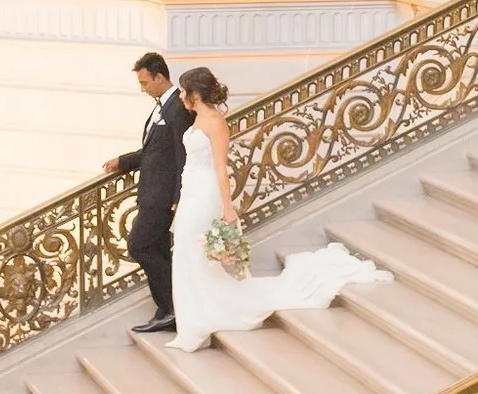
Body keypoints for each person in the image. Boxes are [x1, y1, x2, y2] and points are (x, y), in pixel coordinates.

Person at [164, 66, 390, 352]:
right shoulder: (196, 119)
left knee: (192, 253)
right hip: (191, 190)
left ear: (195, 93)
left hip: (206, 192)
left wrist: (227, 208)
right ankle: (193, 319)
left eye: (184, 90)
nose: (181, 95)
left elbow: (221, 168)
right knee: (185, 253)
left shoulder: (215, 122)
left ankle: (196, 325)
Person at [104, 51, 191, 334]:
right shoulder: (160, 106)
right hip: (151, 191)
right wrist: (124, 161)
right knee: (158, 250)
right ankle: (170, 309)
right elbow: (153, 151)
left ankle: (170, 307)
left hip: (163, 196)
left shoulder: (178, 108)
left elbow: (182, 154)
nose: (142, 89)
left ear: (160, 77)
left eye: (144, 83)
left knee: (138, 246)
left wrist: (179, 196)